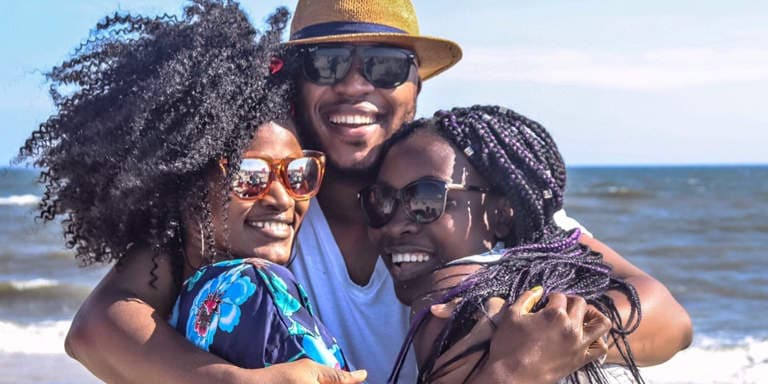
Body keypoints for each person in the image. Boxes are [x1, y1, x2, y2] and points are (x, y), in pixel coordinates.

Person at [62, 0, 692, 383]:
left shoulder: (469, 196)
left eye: (386, 66)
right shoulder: (266, 203)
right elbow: (98, 328)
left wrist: (548, 340)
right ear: (292, 80)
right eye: (328, 63)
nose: (355, 85)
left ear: (416, 87)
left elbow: (666, 317)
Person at [18, 1, 365, 382]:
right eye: (249, 175)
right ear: (188, 181)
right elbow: (89, 331)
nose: (282, 197)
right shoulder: (245, 283)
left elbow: (89, 332)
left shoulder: (182, 268)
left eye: (298, 174)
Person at [363, 105, 650, 383]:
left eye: (427, 199)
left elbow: (664, 310)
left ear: (502, 214)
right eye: (381, 200)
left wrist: (562, 332)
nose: (396, 225)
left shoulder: (451, 305)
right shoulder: (552, 267)